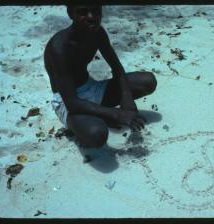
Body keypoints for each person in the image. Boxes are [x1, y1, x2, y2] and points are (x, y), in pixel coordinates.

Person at [44, 5, 157, 148]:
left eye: (96, 11)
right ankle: (87, 120)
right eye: (83, 11)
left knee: (148, 81)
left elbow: (117, 68)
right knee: (97, 134)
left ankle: (97, 114)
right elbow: (72, 103)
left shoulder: (98, 33)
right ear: (70, 14)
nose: (91, 17)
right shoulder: (59, 48)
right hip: (67, 102)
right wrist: (117, 114)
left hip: (92, 88)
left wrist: (127, 97)